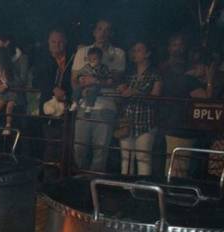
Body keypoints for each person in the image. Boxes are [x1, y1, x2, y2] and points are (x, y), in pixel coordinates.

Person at [71, 19, 126, 172]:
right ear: (94, 31)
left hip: (106, 105)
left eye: (107, 29)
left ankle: (94, 183)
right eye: (100, 29)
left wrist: (95, 80)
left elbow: (116, 79)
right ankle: (80, 180)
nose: (103, 33)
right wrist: (82, 86)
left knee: (101, 150)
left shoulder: (119, 54)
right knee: (79, 148)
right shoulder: (82, 52)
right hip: (84, 104)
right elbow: (74, 79)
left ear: (111, 33)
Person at [159, 34, 209, 177]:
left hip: (189, 124)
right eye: (175, 45)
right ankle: (172, 194)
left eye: (180, 45)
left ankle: (175, 192)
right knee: (176, 167)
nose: (178, 48)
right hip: (175, 123)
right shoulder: (166, 68)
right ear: (169, 48)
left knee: (183, 166)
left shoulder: (187, 68)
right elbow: (204, 98)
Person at [117, 42, 162, 175]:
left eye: (139, 50)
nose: (135, 53)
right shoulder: (128, 73)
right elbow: (121, 96)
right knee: (126, 158)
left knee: (143, 159)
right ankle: (126, 188)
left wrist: (135, 92)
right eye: (134, 50)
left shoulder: (155, 74)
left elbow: (156, 98)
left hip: (146, 122)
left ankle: (143, 191)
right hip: (127, 121)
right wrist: (120, 90)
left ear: (148, 53)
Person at [33, 29, 73, 163]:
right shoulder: (42, 59)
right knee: (51, 145)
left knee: (67, 146)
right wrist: (52, 88)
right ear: (48, 43)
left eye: (60, 41)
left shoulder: (73, 59)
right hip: (48, 108)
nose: (57, 44)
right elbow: (37, 80)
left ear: (65, 42)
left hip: (68, 108)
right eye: (54, 41)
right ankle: (50, 177)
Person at [70, 47, 112, 114]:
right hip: (85, 85)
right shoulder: (87, 67)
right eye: (90, 59)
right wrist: (80, 78)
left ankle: (89, 106)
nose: (92, 61)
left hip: (95, 85)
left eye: (94, 59)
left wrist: (105, 79)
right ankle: (75, 102)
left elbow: (108, 77)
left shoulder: (103, 68)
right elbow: (80, 74)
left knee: (92, 91)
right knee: (77, 88)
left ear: (100, 59)